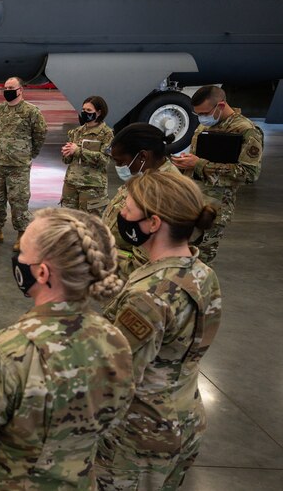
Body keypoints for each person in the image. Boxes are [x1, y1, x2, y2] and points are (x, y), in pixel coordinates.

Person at [0, 207, 134, 490]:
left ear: (42, 272)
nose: (17, 260)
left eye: (22, 252)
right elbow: (112, 423)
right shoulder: (116, 341)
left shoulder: (2, 355)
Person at [95, 170, 221, 490]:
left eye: (129, 208)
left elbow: (115, 375)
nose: (121, 212)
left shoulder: (149, 295)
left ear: (153, 223)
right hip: (185, 416)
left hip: (139, 437)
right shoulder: (201, 271)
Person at [172, 85, 264, 264]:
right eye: (198, 114)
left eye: (205, 112)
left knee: (200, 263)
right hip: (193, 202)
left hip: (215, 208)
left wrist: (198, 164)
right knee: (182, 259)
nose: (202, 117)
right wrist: (185, 163)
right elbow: (197, 161)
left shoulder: (246, 130)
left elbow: (250, 173)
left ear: (220, 106)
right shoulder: (205, 125)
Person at [101, 123, 179, 280]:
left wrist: (97, 254)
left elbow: (142, 264)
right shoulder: (145, 175)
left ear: (143, 156)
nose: (119, 167)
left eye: (121, 162)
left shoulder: (162, 191)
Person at [0, 77, 47, 251]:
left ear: (20, 90)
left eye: (11, 87)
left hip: (19, 165)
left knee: (19, 202)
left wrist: (29, 153)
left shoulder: (31, 111)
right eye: (5, 87)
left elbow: (40, 134)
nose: (7, 90)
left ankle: (21, 235)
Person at [60, 96, 114, 216]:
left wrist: (79, 151)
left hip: (92, 187)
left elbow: (104, 160)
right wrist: (66, 153)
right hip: (71, 184)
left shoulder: (107, 134)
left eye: (89, 111)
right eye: (83, 110)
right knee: (68, 221)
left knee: (90, 223)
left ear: (99, 112)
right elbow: (67, 160)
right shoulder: (76, 132)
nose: (84, 113)